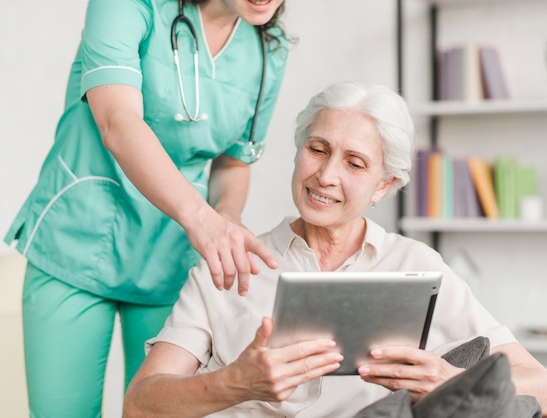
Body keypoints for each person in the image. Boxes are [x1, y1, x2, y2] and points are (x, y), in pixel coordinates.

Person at [123, 81, 547, 417]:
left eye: (354, 163)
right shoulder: (231, 263)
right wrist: (235, 382)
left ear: (385, 185)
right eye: (317, 149)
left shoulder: (415, 265)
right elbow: (139, 405)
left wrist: (448, 378)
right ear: (297, 153)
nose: (325, 175)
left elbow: (539, 384)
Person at [4, 0, 291, 416]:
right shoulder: (130, 6)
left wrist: (225, 217)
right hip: (78, 239)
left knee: (160, 410)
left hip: (173, 256)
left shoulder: (270, 47)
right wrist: (201, 218)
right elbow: (118, 122)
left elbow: (234, 160)